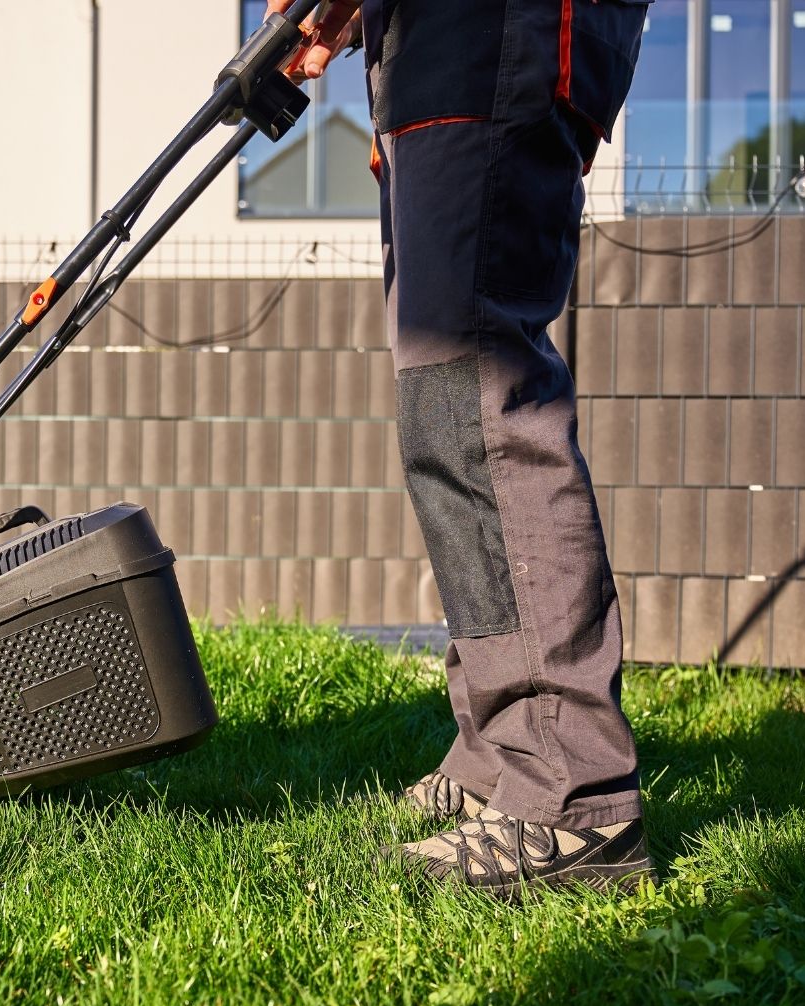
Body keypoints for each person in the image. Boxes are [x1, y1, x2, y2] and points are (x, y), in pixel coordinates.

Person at [267, 0, 653, 894]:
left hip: (495, 36)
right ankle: (497, 749)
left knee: (477, 394)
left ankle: (568, 796)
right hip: (438, 51)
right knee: (444, 411)